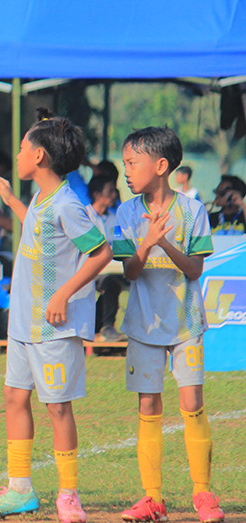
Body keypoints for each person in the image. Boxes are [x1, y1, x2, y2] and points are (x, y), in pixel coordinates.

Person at [0, 108, 111, 522]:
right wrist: (12, 200)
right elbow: (35, 227)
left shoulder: (68, 204)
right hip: (23, 324)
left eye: (21, 148)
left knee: (57, 408)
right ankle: (19, 489)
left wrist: (65, 293)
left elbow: (100, 252)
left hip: (53, 325)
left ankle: (68, 495)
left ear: (40, 157)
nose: (16, 154)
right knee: (15, 397)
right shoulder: (41, 197)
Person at [114, 127, 224, 523]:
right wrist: (146, 242)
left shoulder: (192, 211)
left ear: (160, 166)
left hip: (185, 323)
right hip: (144, 322)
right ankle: (153, 498)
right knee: (148, 403)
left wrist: (164, 243)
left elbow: (195, 268)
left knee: (192, 402)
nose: (125, 171)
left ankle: (203, 494)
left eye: (132, 163)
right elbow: (130, 271)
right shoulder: (127, 213)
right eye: (125, 163)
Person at [86, 175, 125, 342]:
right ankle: (106, 327)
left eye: (114, 191)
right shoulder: (84, 216)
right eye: (109, 191)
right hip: (89, 269)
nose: (114, 195)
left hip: (111, 267)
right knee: (110, 282)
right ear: (96, 194)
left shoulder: (115, 219)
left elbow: (119, 242)